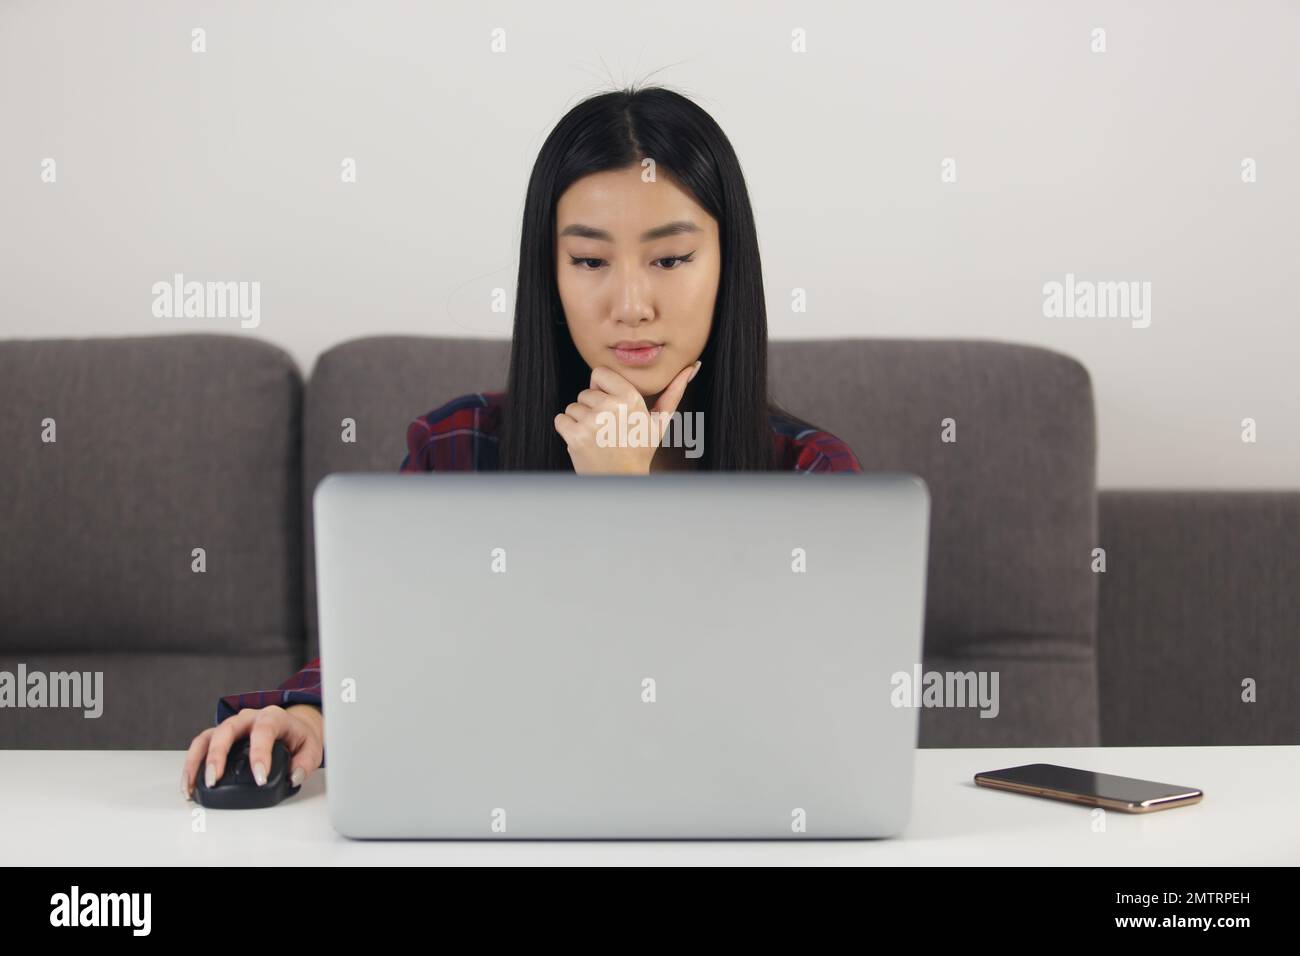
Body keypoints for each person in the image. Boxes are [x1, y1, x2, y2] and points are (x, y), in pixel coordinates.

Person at [181, 84, 862, 802]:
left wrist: (633, 506)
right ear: (550, 276)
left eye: (670, 260)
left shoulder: (811, 476)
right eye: (590, 262)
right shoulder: (458, 448)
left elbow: (797, 721)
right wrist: (310, 716)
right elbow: (386, 648)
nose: (631, 305)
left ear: (728, 269)